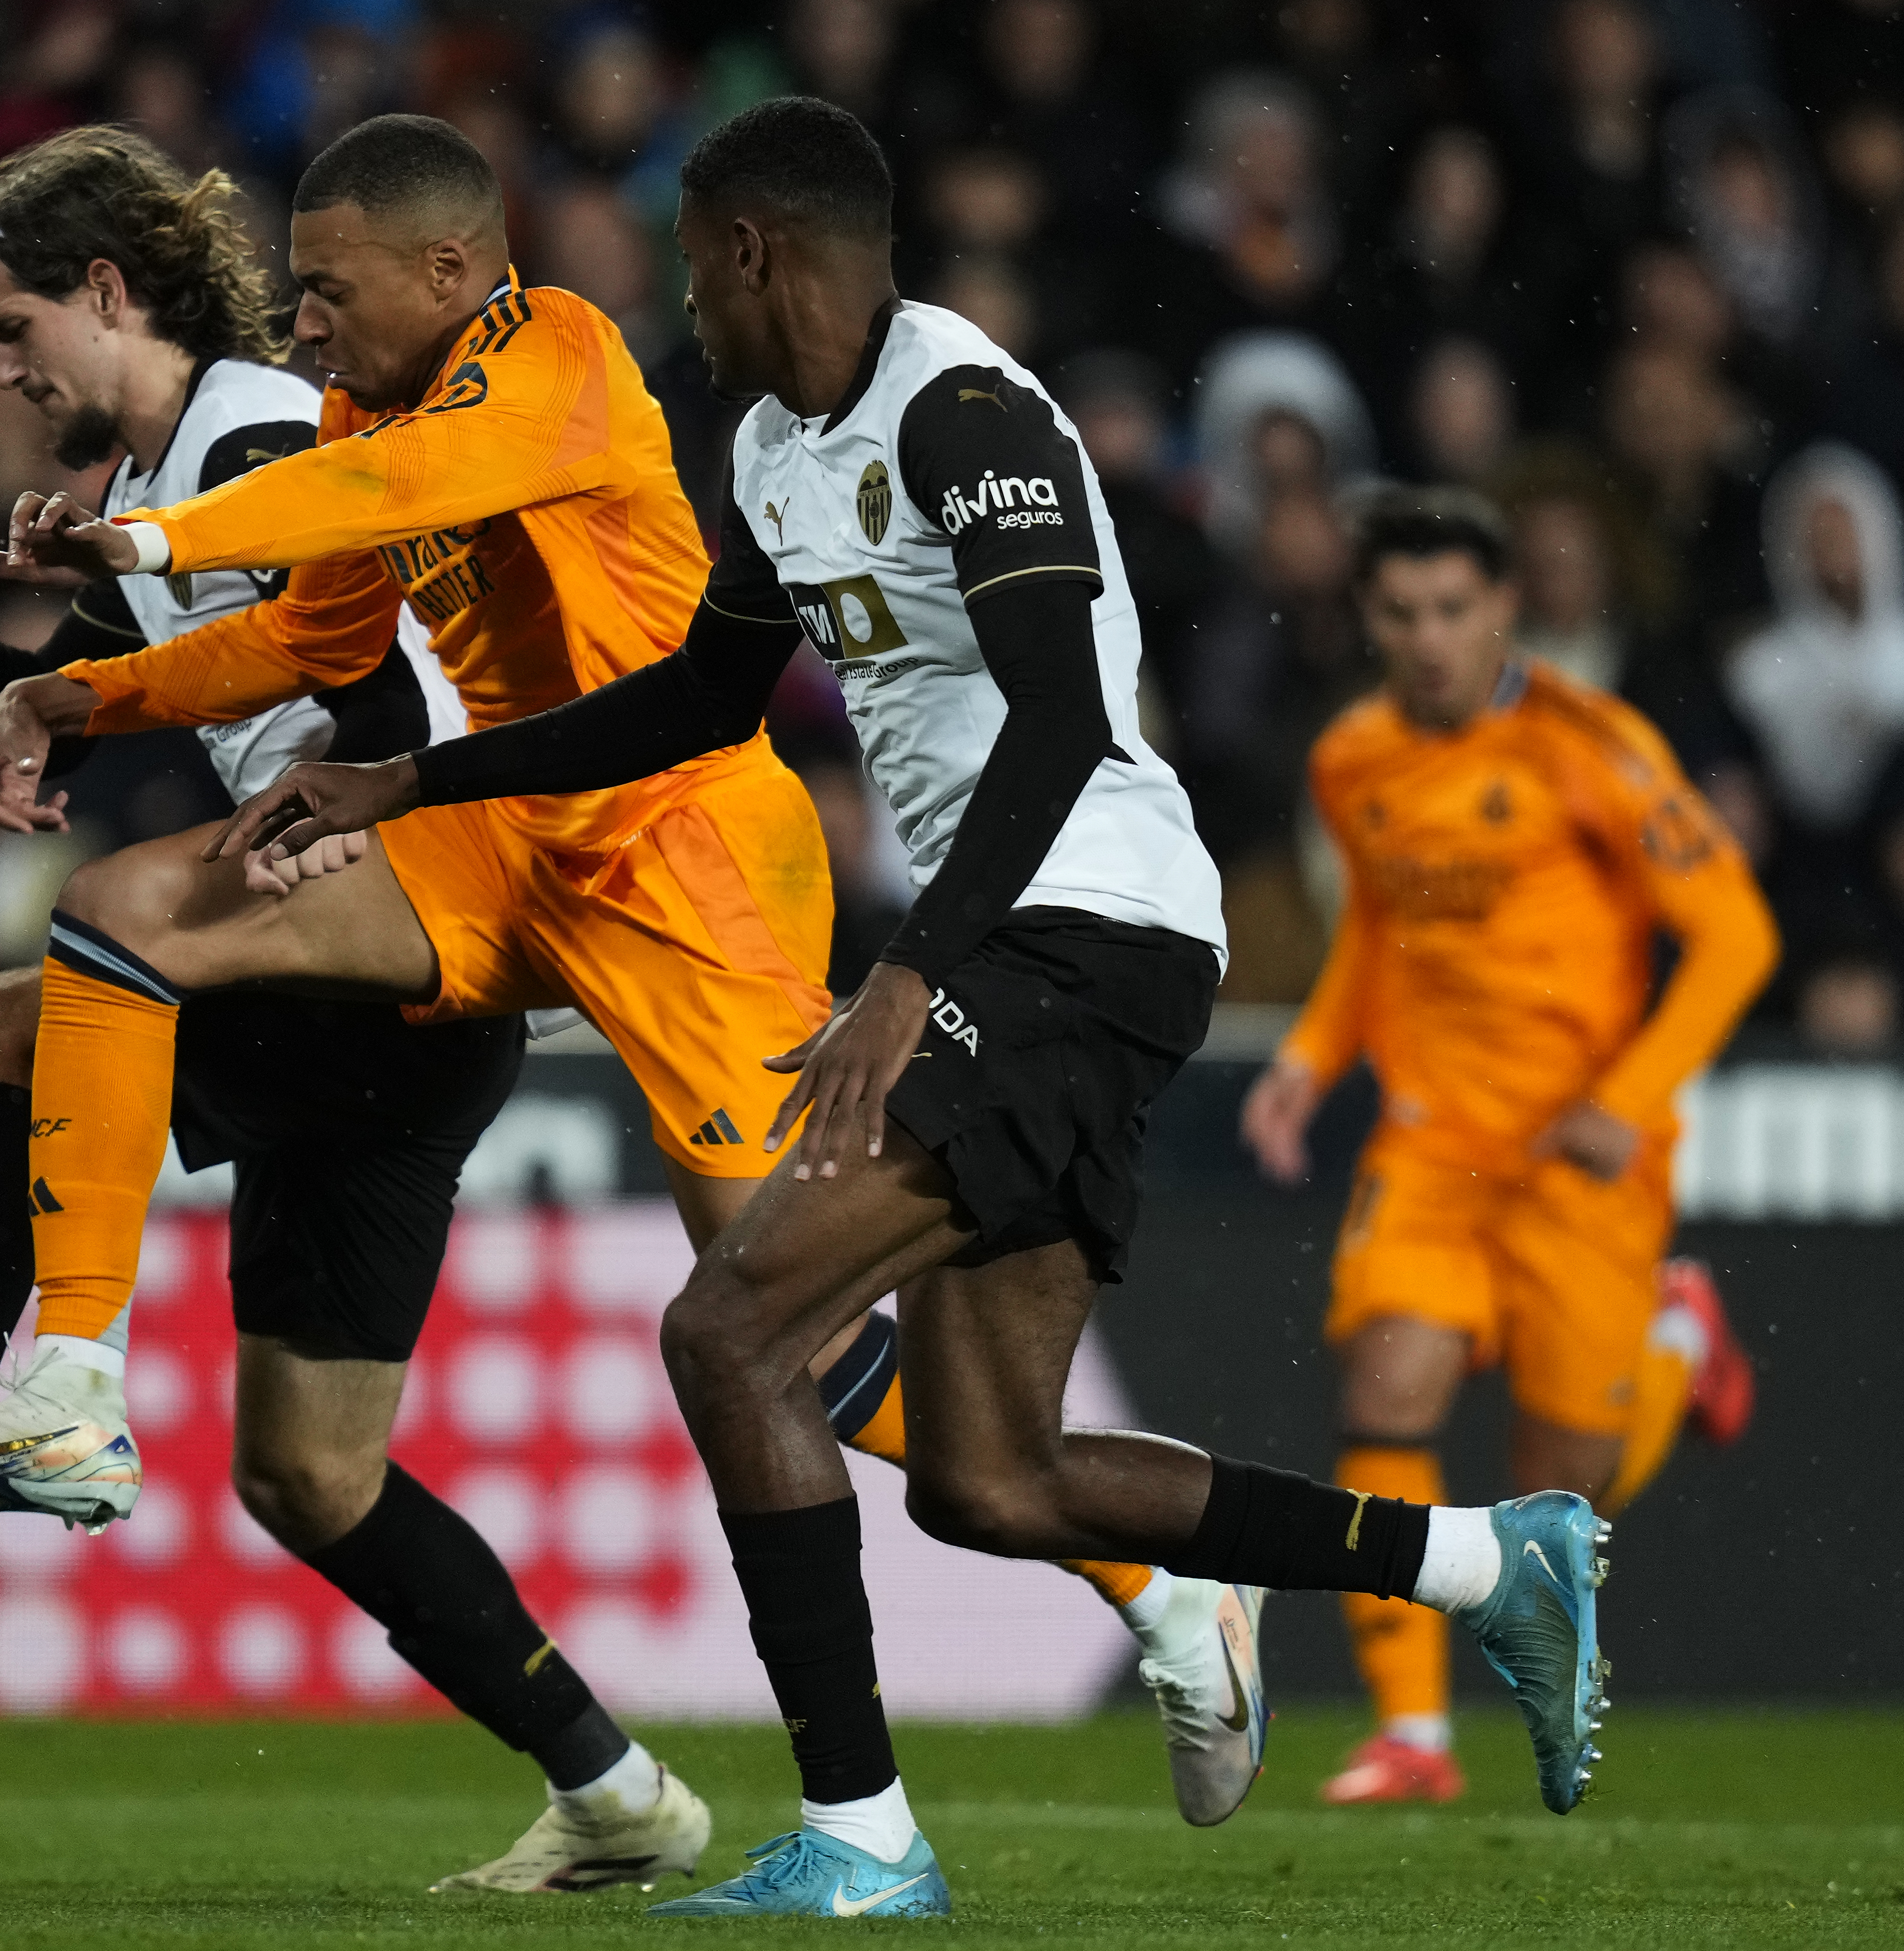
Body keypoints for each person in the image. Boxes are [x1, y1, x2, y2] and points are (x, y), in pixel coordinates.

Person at [206, 100, 1621, 1916]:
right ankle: (1487, 1568)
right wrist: (417, 785)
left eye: (691, 276)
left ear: (748, 253)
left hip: (1077, 932)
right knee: (988, 1478)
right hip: (1015, 947)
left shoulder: (964, 415)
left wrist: (907, 972)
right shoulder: (776, 446)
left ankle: (862, 1839)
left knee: (730, 1337)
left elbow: (1056, 717)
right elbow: (692, 704)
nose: (680, 323)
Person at [0, 109, 1274, 1837]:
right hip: (513, 832)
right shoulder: (358, 410)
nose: (304, 326)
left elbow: (393, 497)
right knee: (127, 908)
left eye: (329, 290)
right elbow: (319, 635)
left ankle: (1157, 1593)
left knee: (766, 1308)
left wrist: (138, 547)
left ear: (447, 269)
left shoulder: (550, 358)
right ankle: (69, 1380)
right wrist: (80, 692)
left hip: (685, 863)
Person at [0, 126, 708, 1896]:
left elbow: (374, 666)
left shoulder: (251, 438)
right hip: (376, 1015)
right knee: (311, 1479)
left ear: (103, 290)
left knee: (20, 1005)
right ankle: (616, 1796)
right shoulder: (182, 472)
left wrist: (303, 778)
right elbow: (90, 702)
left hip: (406, 913)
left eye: (14, 335)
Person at [1238, 489, 1776, 1806]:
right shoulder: (1350, 759)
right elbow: (1374, 927)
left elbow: (1735, 937)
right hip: (1429, 1149)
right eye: (1400, 614)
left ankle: (1672, 1341)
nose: (1427, 639)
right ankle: (1413, 1737)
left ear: (1503, 612)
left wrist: (1631, 1093)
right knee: (1384, 1391)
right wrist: (1308, 1064)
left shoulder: (1589, 746)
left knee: (1555, 1500)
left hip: (1579, 1158)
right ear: (1366, 619)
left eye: (1452, 611)